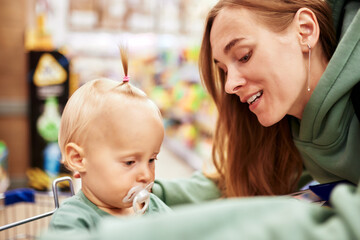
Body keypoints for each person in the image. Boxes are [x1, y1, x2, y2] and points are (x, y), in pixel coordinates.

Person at [40, 0, 360, 239]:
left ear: (305, 31)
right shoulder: (286, 125)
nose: (230, 85)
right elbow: (239, 181)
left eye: (244, 55)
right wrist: (120, 193)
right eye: (222, 70)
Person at [48, 48, 172, 233]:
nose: (146, 175)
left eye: (151, 160)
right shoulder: (72, 221)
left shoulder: (153, 206)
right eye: (129, 162)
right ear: (79, 159)